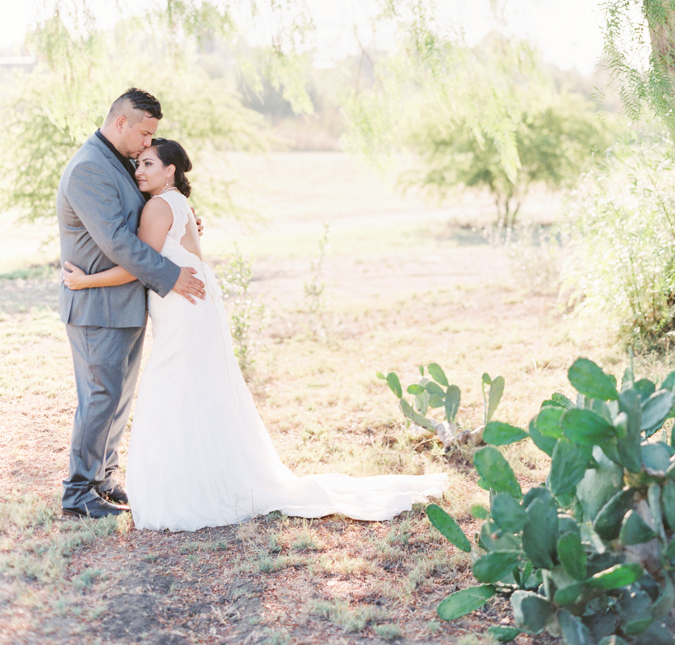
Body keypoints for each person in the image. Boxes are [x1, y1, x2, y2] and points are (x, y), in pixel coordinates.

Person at [62, 138, 447, 531]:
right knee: (194, 390)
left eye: (147, 164)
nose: (139, 171)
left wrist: (85, 282)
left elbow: (138, 264)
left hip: (181, 306)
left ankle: (185, 489)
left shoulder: (159, 207)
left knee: (172, 389)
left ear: (169, 170)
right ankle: (205, 478)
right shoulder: (178, 204)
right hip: (196, 304)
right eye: (138, 164)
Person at [57, 90, 207, 519]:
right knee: (100, 397)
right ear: (121, 122)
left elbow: (142, 217)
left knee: (118, 398)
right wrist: (170, 273)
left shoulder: (116, 162)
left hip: (124, 304)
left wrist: (179, 223)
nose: (147, 144)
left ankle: (103, 477)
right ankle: (78, 491)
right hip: (96, 306)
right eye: (144, 133)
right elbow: (119, 242)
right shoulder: (89, 168)